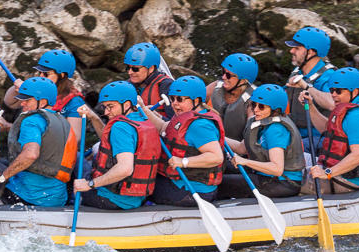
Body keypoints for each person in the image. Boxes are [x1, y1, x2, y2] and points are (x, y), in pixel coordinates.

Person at [0, 77, 77, 207]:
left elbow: (31, 154)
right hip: (57, 199)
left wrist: (2, 177)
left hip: (26, 198)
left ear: (42, 102)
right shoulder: (64, 123)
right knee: (3, 161)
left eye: (27, 100)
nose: (22, 103)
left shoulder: (31, 120)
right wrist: (7, 126)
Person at [72, 81, 160, 210]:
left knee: (76, 157)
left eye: (111, 106)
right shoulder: (143, 120)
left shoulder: (121, 126)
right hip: (136, 197)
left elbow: (125, 169)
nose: (106, 112)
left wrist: (90, 184)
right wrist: (94, 118)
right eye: (105, 107)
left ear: (127, 104)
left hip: (111, 199)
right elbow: (111, 141)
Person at [141, 75, 225, 207]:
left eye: (179, 99)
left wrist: (183, 162)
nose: (174, 103)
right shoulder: (185, 116)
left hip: (192, 191)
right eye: (172, 98)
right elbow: (163, 127)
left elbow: (216, 157)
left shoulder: (199, 126)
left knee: (139, 185)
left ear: (196, 100)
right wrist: (144, 110)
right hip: (183, 183)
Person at [300, 67, 359, 195]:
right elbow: (327, 130)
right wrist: (311, 106)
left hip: (348, 180)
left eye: (338, 91)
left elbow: (358, 157)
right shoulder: (347, 108)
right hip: (333, 169)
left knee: (290, 179)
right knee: (289, 158)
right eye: (332, 90)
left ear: (355, 91)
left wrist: (327, 173)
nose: (333, 95)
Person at [217, 84, 306, 199]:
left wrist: (245, 161)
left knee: (220, 182)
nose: (255, 109)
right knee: (219, 168)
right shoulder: (262, 123)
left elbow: (277, 169)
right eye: (253, 104)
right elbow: (241, 148)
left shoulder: (276, 129)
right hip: (265, 175)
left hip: (282, 182)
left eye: (261, 106)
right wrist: (218, 136)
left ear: (275, 109)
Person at [3, 49, 85, 138]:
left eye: (46, 74)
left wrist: (10, 127)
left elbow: (75, 137)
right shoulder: (38, 89)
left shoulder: (75, 102)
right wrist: (18, 89)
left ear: (61, 75)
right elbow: (10, 103)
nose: (41, 76)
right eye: (40, 72)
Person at [284, 27, 338, 150]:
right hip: (296, 133)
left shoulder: (329, 76)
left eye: (297, 48)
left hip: (319, 138)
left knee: (287, 149)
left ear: (311, 52)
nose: (291, 51)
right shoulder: (298, 71)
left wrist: (305, 86)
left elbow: (332, 103)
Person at [206, 53, 258, 140]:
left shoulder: (254, 99)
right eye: (223, 72)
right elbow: (193, 100)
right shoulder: (216, 86)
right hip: (211, 142)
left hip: (236, 150)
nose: (223, 77)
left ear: (243, 80)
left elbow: (251, 135)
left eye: (228, 75)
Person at [124, 42, 173, 116]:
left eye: (135, 69)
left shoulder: (166, 85)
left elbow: (174, 122)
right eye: (128, 68)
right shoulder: (126, 85)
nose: (130, 72)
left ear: (151, 68)